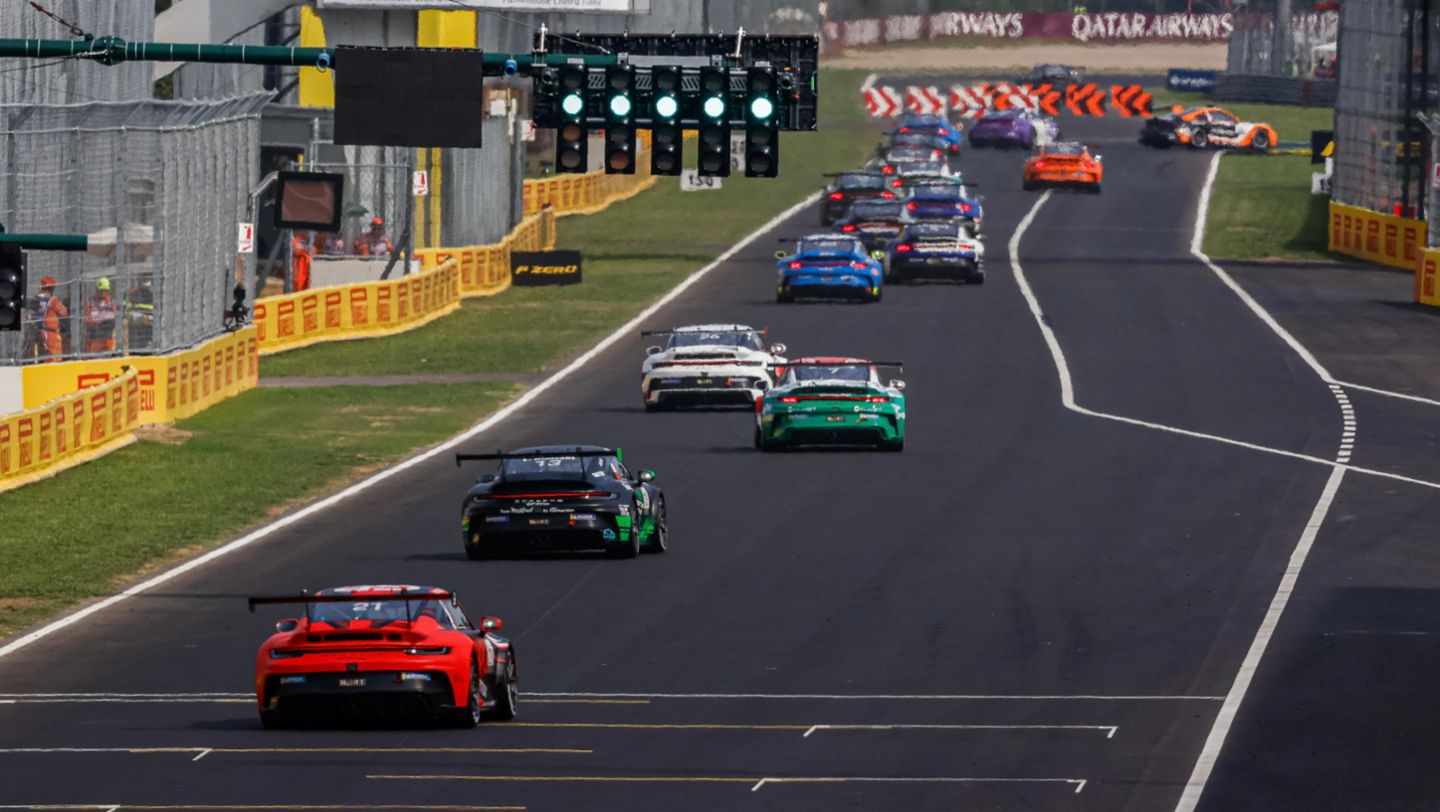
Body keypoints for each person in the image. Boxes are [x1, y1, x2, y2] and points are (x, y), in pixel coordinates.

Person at [34, 276, 67, 360]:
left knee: (43, 358)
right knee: (53, 360)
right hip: (51, 334)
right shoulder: (51, 300)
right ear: (51, 288)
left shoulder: (35, 299)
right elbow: (64, 312)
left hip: (39, 333)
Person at [84, 277, 117, 354]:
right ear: (96, 290)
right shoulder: (90, 301)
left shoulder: (111, 301)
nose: (103, 293)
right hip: (94, 335)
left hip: (107, 336)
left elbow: (114, 317)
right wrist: (96, 324)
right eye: (101, 290)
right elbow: (87, 319)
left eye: (105, 291)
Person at [125, 274, 155, 350]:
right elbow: (126, 313)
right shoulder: (132, 295)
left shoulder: (152, 296)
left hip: (148, 332)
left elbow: (158, 313)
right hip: (135, 332)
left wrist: (149, 318)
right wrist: (139, 317)